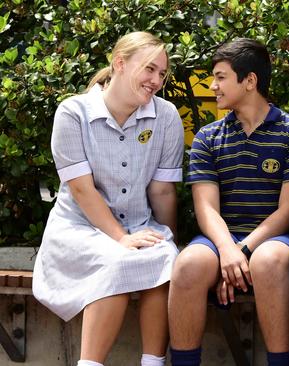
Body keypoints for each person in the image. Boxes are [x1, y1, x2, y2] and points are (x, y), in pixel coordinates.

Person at [32, 31, 184, 366]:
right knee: (118, 260)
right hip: (79, 228)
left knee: (165, 258)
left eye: (162, 73)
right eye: (149, 69)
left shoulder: (167, 116)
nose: (156, 80)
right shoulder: (73, 113)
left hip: (139, 225)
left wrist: (168, 237)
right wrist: (121, 238)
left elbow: (161, 190)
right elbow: (82, 190)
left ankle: (153, 363)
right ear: (119, 63)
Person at [168, 38, 289, 366]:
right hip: (220, 239)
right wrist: (228, 250)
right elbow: (205, 208)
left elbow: (288, 211)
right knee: (188, 266)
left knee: (267, 262)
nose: (213, 86)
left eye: (220, 77)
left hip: (275, 239)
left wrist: (242, 252)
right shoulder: (208, 137)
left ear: (250, 81)